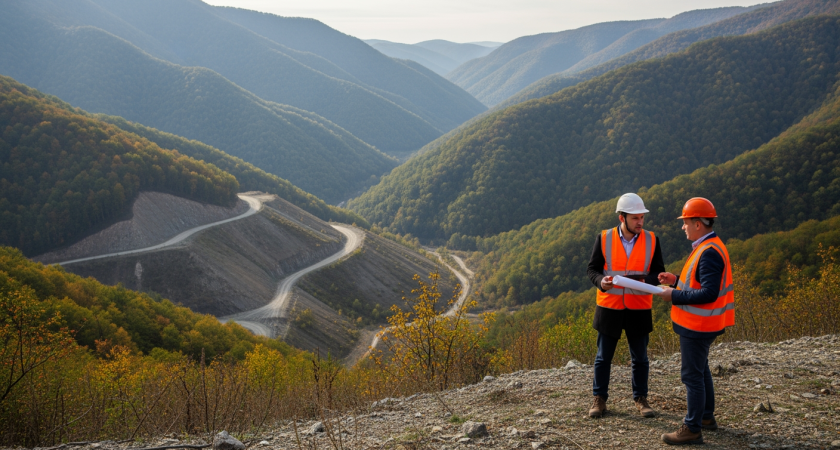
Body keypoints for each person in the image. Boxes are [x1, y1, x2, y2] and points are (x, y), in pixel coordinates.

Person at [654, 197, 734, 446]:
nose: (683, 227)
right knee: (701, 371)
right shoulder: (709, 246)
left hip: (698, 326)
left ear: (698, 223)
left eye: (686, 222)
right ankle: (706, 418)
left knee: (692, 376)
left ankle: (692, 428)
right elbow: (698, 283)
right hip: (703, 324)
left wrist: (673, 295)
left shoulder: (709, 252)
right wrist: (676, 280)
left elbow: (708, 293)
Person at [586, 193, 665, 419]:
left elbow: (658, 273)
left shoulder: (652, 240)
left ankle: (641, 399)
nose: (640, 222)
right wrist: (601, 282)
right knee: (603, 358)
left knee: (640, 358)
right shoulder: (603, 238)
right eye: (635, 218)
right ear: (622, 218)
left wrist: (645, 282)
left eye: (642, 217)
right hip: (609, 307)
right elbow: (592, 270)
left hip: (639, 307)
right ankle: (599, 399)